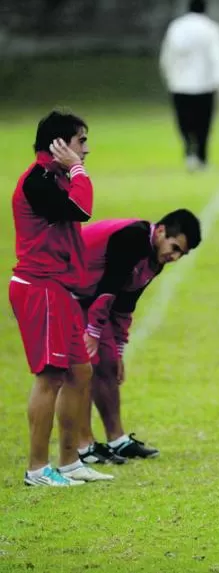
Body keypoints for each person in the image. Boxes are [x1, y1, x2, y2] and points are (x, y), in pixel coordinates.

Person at [10, 111, 112, 485]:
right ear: (58, 145)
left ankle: (69, 462)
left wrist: (70, 171)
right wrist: (77, 171)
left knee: (79, 372)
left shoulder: (54, 177)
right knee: (50, 377)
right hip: (40, 287)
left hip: (60, 289)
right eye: (81, 141)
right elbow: (81, 209)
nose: (86, 149)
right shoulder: (37, 181)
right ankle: (37, 469)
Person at [74, 210, 202, 464]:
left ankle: (117, 440)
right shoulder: (132, 238)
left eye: (181, 254)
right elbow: (109, 287)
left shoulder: (156, 258)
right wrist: (93, 332)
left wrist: (119, 350)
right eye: (174, 247)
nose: (174, 257)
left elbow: (125, 304)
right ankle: (83, 445)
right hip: (69, 291)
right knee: (85, 367)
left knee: (109, 362)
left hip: (92, 296)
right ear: (162, 231)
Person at [159, 0, 219, 172]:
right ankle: (202, 157)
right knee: (203, 124)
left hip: (180, 84)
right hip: (205, 85)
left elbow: (168, 55)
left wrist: (168, 76)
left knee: (184, 121)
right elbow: (218, 57)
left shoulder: (176, 27)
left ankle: (189, 150)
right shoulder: (211, 28)